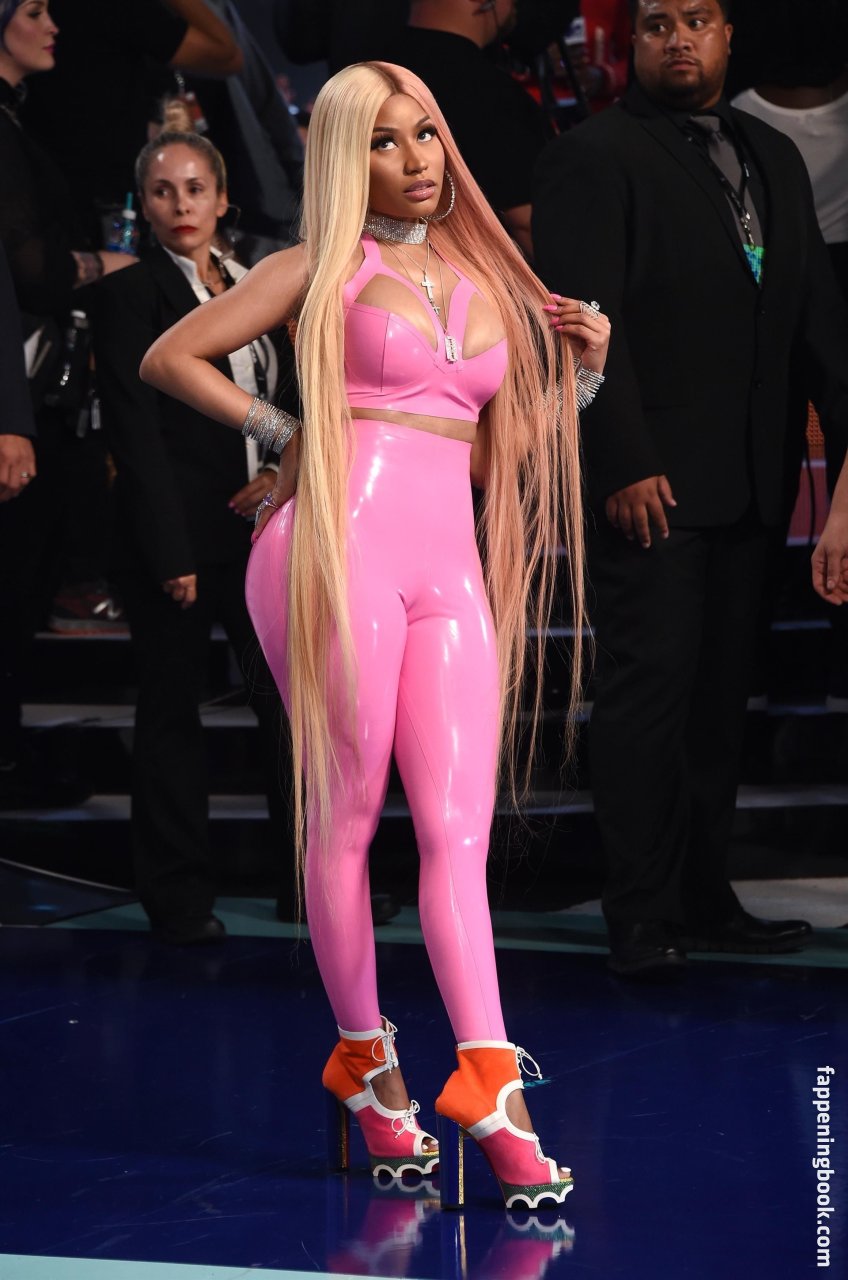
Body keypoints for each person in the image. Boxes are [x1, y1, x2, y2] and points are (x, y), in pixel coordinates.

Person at [139, 60, 610, 1208]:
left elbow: (496, 461)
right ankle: (368, 1057)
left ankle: (483, 1074)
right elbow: (168, 356)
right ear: (347, 158)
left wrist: (585, 377)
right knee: (346, 814)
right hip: (328, 546)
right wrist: (287, 430)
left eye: (426, 134)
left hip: (447, 567)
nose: (415, 159)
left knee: (455, 830)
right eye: (385, 141)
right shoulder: (321, 265)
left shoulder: (484, 283)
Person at [532, 0, 848, 978]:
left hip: (751, 483)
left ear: (727, 36)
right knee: (647, 703)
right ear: (634, 41)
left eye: (697, 19)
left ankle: (705, 898)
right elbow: (580, 325)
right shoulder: (591, 156)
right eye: (659, 23)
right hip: (651, 485)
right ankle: (639, 912)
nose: (679, 38)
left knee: (718, 706)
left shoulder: (771, 153)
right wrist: (622, 460)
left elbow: (816, 322)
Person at [90, 111, 299, 944]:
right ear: (142, 203)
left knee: (289, 712)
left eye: (195, 188)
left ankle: (307, 887)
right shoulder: (129, 294)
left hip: (264, 530)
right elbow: (135, 433)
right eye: (162, 190)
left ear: (222, 197)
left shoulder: (261, 282)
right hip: (173, 538)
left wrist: (283, 476)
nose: (180, 204)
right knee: (171, 716)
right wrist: (169, 550)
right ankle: (176, 898)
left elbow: (294, 401)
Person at [0, 0, 135, 804]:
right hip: (22, 399)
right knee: (14, 585)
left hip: (33, 397)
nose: (53, 24)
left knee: (23, 587)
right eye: (34, 9)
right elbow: (27, 273)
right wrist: (109, 265)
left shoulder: (18, 122)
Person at [375, 1, 554, 259]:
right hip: (485, 272)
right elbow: (528, 221)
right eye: (385, 143)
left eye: (425, 135)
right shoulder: (488, 91)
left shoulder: (372, 72)